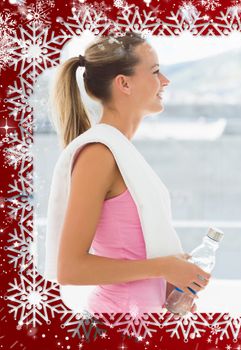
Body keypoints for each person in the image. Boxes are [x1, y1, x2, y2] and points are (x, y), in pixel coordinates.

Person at [45, 32, 210, 314]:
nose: (165, 81)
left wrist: (169, 277)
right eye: (156, 71)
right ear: (124, 83)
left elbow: (133, 250)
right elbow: (70, 269)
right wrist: (164, 267)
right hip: (115, 323)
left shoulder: (121, 152)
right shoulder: (99, 154)